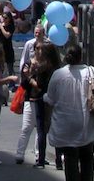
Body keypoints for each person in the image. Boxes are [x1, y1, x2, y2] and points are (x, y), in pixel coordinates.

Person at [44, 43, 94, 181]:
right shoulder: (93, 72)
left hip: (66, 123)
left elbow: (50, 100)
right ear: (81, 56)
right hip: (88, 122)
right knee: (88, 156)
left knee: (70, 158)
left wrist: (47, 121)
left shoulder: (58, 75)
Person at [19, 39, 62, 167]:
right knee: (55, 129)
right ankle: (59, 161)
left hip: (41, 99)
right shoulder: (57, 67)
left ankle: (41, 160)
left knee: (41, 130)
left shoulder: (43, 68)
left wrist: (30, 76)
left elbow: (38, 86)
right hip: (55, 100)